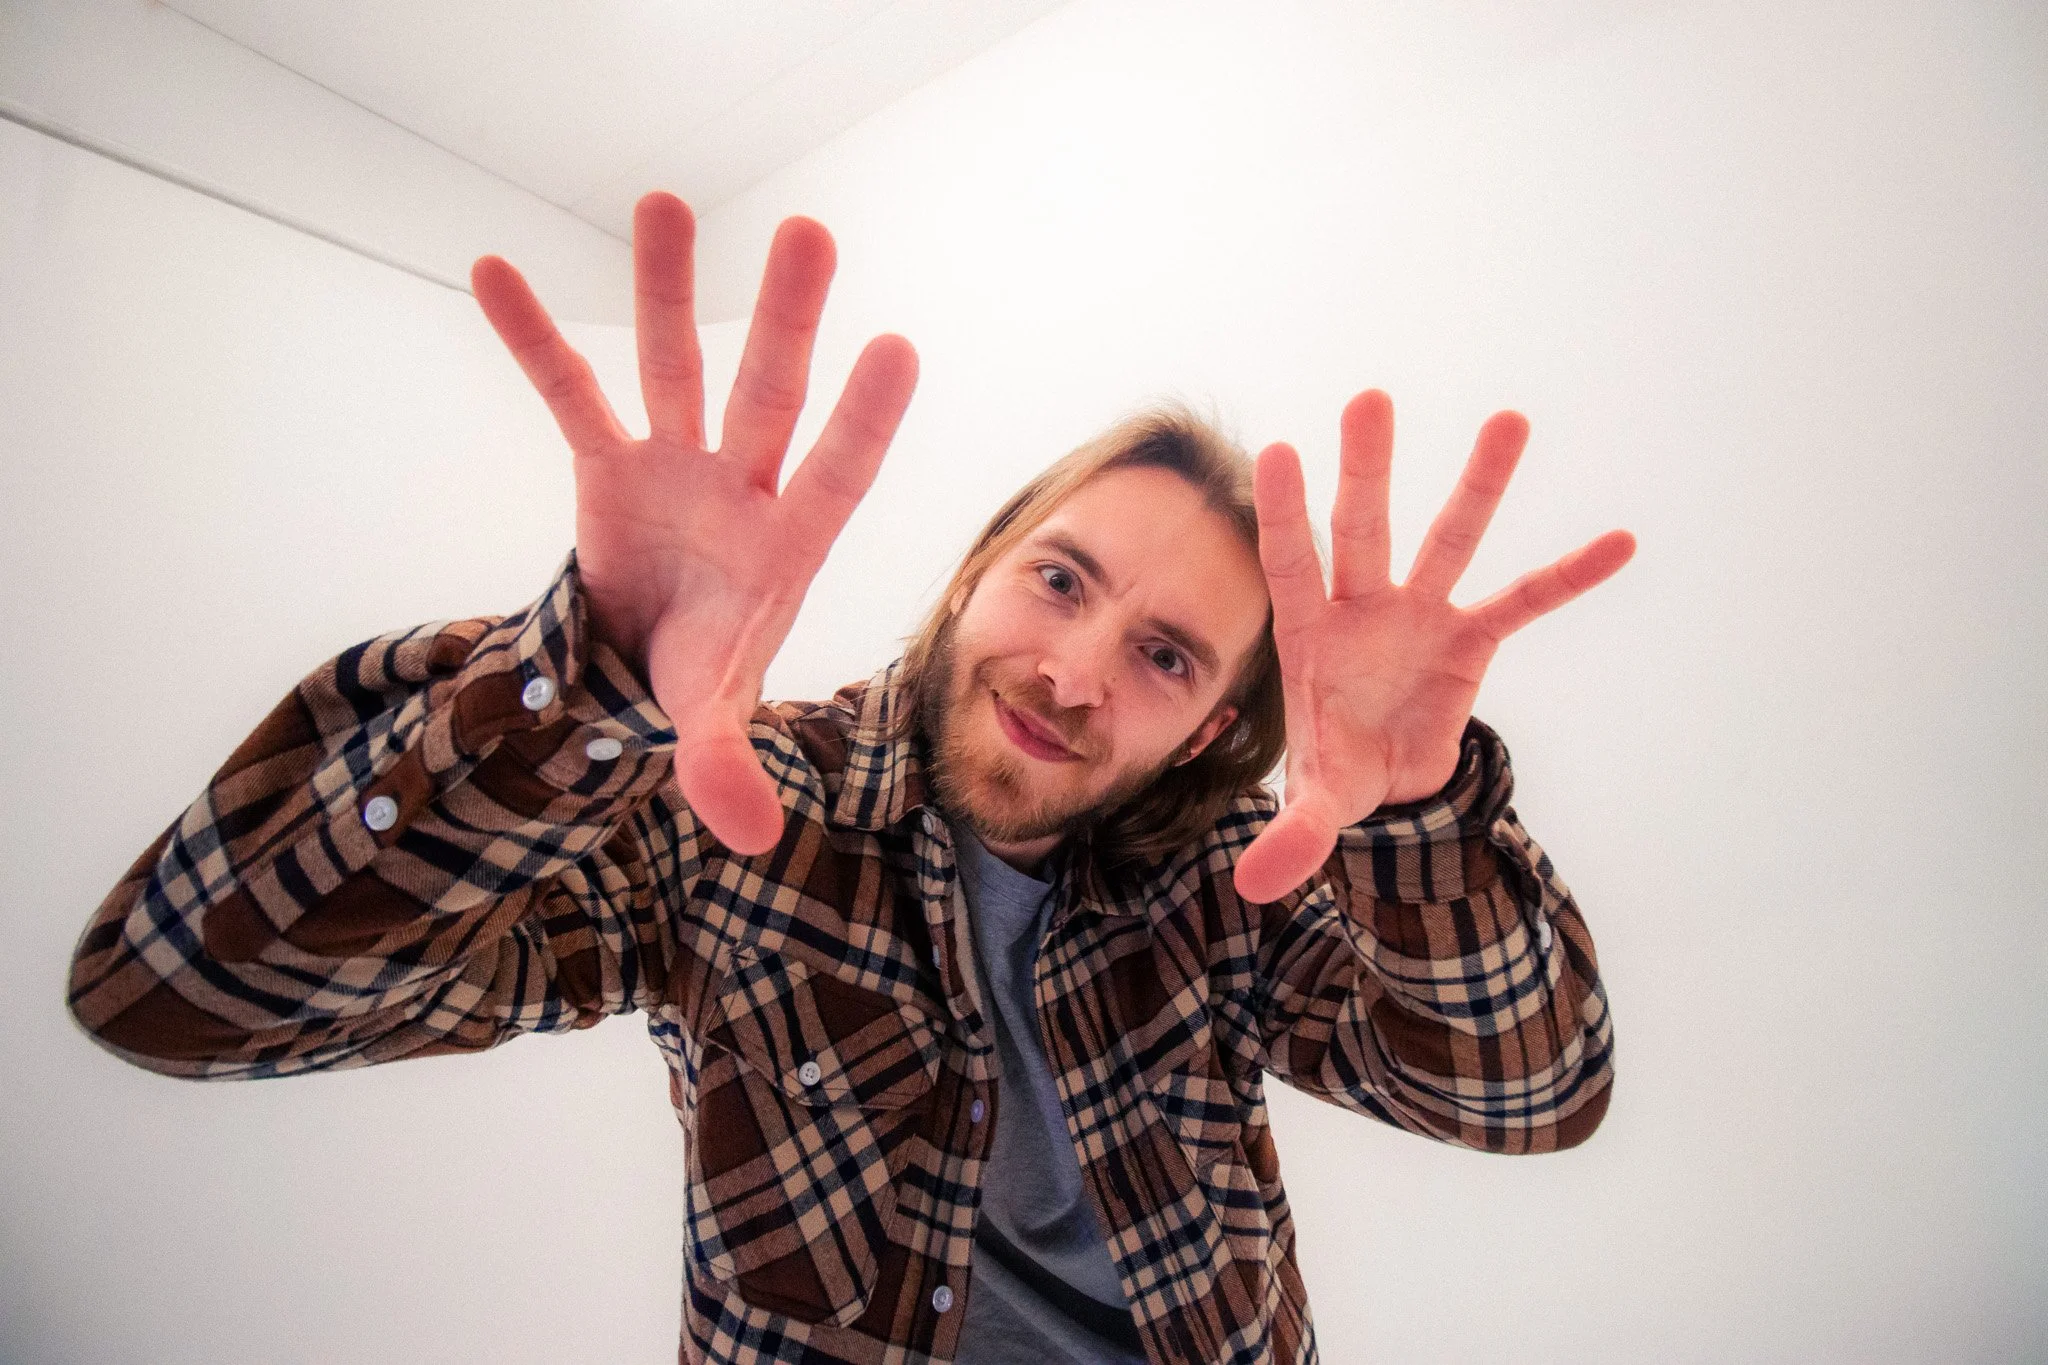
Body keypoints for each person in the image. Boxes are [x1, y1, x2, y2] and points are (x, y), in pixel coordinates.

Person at [67, 190, 1633, 1365]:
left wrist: (1421, 819)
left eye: (1167, 657)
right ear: (972, 579)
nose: (1075, 672)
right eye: (1061, 580)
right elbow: (182, 999)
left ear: (1217, 728)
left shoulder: (1229, 880)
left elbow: (1528, 1099)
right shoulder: (739, 807)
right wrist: (590, 678)